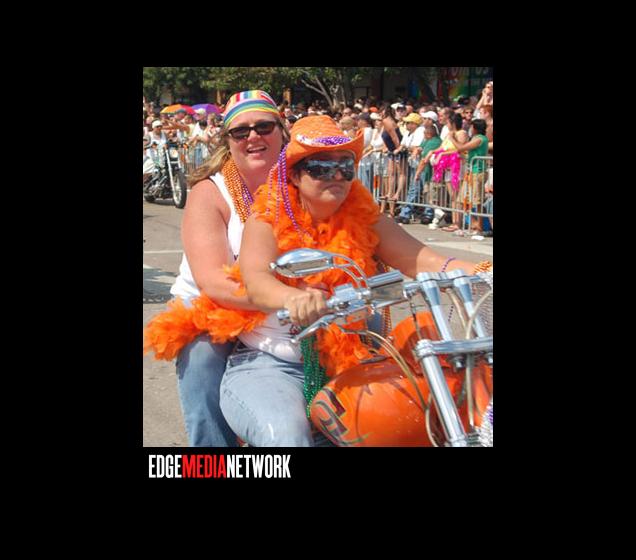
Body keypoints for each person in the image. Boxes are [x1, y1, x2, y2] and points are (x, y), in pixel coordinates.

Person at [214, 115, 491, 446]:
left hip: (353, 361)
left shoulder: (366, 216)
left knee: (421, 419)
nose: (336, 175)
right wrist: (293, 297)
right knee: (287, 436)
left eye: (345, 166)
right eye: (320, 167)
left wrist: (484, 270)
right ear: (295, 175)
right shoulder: (265, 219)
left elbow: (426, 262)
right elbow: (257, 280)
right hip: (270, 364)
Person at [144, 90, 291, 447]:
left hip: (286, 307)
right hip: (216, 308)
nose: (253, 136)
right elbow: (214, 282)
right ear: (227, 140)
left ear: (282, 130)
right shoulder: (210, 193)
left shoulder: (307, 176)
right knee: (202, 360)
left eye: (264, 126)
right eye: (240, 131)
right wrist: (290, 297)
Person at [445, 118, 490, 232]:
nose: (470, 129)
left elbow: (461, 147)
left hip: (477, 173)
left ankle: (479, 227)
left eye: (471, 127)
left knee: (477, 201)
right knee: (462, 199)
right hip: (470, 172)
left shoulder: (480, 139)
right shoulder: (475, 138)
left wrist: (452, 138)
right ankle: (465, 223)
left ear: (475, 128)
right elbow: (464, 151)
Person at [429, 113, 469, 232]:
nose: (446, 125)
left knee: (457, 196)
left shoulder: (462, 133)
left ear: (453, 123)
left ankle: (458, 222)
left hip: (458, 166)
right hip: (448, 167)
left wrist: (444, 151)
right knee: (452, 196)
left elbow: (459, 149)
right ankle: (454, 222)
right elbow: (442, 148)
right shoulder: (448, 134)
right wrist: (432, 152)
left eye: (448, 122)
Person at [379, 105, 403, 216]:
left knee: (400, 173)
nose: (380, 113)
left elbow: (394, 137)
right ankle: (390, 193)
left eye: (381, 111)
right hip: (391, 151)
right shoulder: (386, 121)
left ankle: (396, 194)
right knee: (391, 174)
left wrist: (398, 150)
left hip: (396, 151)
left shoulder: (387, 121)